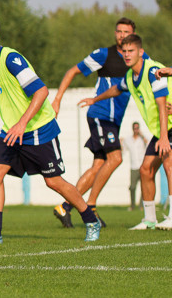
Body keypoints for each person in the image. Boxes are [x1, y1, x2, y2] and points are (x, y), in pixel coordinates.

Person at [0, 14, 101, 245]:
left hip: (38, 129)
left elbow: (41, 91)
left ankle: (90, 219)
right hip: (11, 132)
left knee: (54, 182)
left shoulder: (11, 59)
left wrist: (22, 123)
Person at [51, 18, 139, 228]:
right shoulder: (104, 55)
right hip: (100, 115)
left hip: (113, 121)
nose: (121, 35)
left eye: (126, 32)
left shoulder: (137, 59)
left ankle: (65, 207)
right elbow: (73, 71)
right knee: (116, 158)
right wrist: (57, 99)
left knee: (98, 166)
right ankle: (90, 206)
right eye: (118, 31)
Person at [80, 34, 172, 230]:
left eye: (131, 51)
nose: (127, 55)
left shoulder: (152, 71)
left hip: (168, 127)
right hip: (162, 128)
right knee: (146, 169)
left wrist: (163, 137)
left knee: (168, 164)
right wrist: (95, 100)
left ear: (141, 52)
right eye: (124, 51)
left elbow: (162, 104)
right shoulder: (131, 76)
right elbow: (116, 89)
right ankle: (149, 220)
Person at [121, 122, 147, 211]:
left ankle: (141, 205)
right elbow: (123, 151)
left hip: (142, 165)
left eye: (137, 128)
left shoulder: (142, 139)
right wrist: (119, 143)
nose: (136, 130)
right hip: (134, 166)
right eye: (135, 128)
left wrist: (142, 136)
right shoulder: (128, 140)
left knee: (144, 187)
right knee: (132, 187)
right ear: (132, 129)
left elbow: (148, 146)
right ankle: (132, 205)